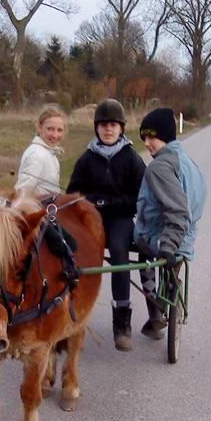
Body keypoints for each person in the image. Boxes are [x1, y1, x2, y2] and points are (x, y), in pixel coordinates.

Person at [66, 99, 146, 352]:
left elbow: (140, 198)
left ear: (121, 128)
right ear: (96, 128)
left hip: (120, 218)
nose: (108, 130)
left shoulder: (131, 158)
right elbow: (72, 194)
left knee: (119, 251)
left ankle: (122, 325)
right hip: (91, 219)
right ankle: (70, 315)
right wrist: (90, 201)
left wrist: (109, 202)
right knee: (74, 254)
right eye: (103, 125)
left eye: (113, 125)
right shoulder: (87, 159)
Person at [133, 108, 207, 340]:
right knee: (150, 246)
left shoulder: (159, 167)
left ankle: (155, 311)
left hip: (168, 240)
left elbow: (177, 209)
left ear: (165, 135)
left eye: (151, 137)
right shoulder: (188, 161)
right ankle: (168, 292)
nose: (147, 143)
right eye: (144, 137)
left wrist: (168, 244)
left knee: (141, 249)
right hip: (187, 238)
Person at [15, 105, 68, 198]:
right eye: (50, 129)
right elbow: (22, 192)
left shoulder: (49, 152)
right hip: (38, 210)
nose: (55, 135)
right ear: (39, 127)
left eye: (59, 130)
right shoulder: (37, 155)